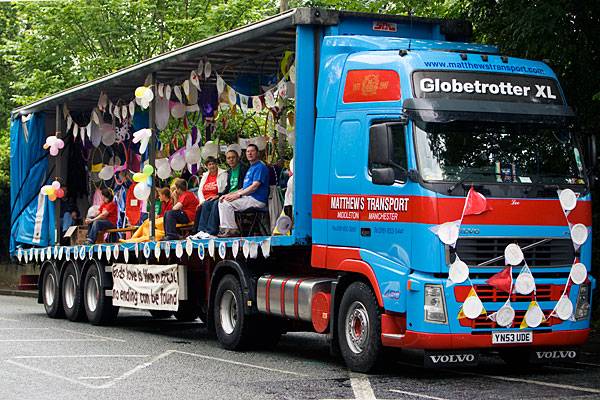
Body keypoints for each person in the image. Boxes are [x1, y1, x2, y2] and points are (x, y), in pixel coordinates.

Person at [193, 149, 248, 238]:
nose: (231, 160)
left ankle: (211, 231)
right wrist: (218, 195)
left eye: (233, 157)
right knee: (206, 204)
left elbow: (245, 186)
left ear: (238, 158)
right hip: (228, 195)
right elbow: (227, 189)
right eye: (229, 158)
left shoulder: (243, 169)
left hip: (239, 195)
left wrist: (220, 196)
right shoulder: (230, 171)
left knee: (216, 203)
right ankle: (202, 230)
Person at [217, 143, 269, 237]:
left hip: (257, 199)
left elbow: (254, 186)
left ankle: (231, 230)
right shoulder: (251, 168)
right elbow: (244, 188)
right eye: (248, 151)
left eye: (252, 151)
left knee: (225, 203)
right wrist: (229, 194)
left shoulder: (260, 166)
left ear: (257, 153)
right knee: (223, 199)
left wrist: (239, 195)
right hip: (249, 198)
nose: (249, 153)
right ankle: (228, 228)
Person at [193, 156, 227, 231]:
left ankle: (203, 230)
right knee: (200, 207)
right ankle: (196, 232)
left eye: (213, 164)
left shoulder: (223, 174)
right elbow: (200, 190)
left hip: (217, 197)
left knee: (207, 205)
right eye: (209, 164)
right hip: (205, 200)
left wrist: (217, 196)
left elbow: (225, 188)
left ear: (216, 164)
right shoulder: (205, 176)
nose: (212, 166)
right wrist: (202, 201)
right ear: (207, 166)